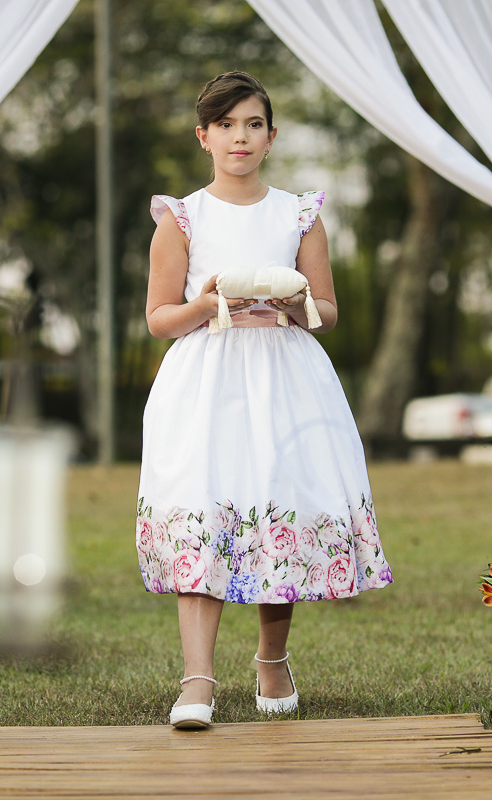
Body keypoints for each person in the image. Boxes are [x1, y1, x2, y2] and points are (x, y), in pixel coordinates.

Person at [137, 71, 392, 730]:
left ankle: (271, 657)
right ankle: (197, 679)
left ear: (271, 137)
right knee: (204, 502)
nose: (239, 137)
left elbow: (327, 309)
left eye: (253, 124)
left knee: (278, 502)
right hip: (208, 375)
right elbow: (160, 317)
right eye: (225, 126)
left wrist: (297, 304)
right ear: (204, 137)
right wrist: (206, 300)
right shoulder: (183, 217)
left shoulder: (298, 215)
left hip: (283, 371)